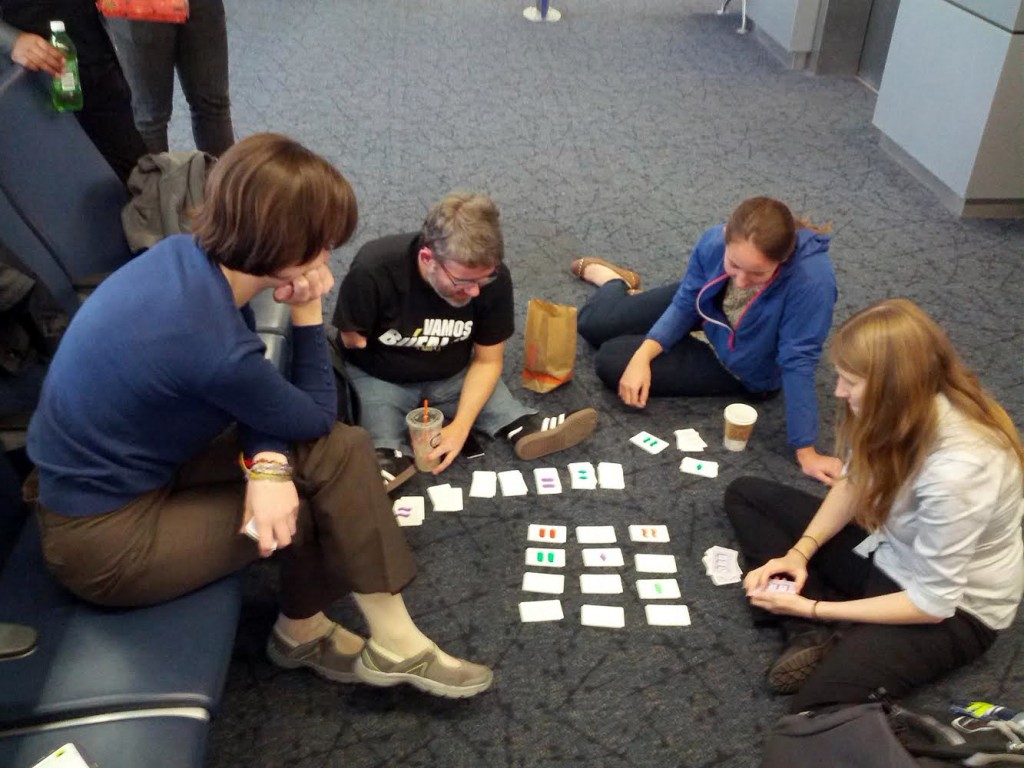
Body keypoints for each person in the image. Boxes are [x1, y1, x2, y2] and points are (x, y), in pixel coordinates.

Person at [25, 133, 492, 699]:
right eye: (323, 244)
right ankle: (323, 635)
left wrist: (268, 464)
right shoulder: (210, 338)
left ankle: (366, 638)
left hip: (146, 466)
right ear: (286, 246)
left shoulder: (187, 258)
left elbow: (262, 398)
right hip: (105, 542)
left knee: (340, 454)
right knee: (326, 480)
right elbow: (313, 411)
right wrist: (307, 310)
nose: (329, 256)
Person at [724, 298, 1023, 713]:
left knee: (815, 710)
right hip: (890, 553)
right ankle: (810, 632)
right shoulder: (902, 408)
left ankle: (824, 620)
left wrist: (812, 604)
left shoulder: (959, 472)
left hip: (952, 610)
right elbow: (853, 483)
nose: (838, 391)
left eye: (850, 380)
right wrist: (799, 553)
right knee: (746, 494)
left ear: (891, 386)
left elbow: (932, 603)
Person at [333, 192, 599, 491]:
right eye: (462, 282)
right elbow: (352, 339)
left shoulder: (493, 278)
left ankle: (521, 425)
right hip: (381, 377)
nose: (474, 292)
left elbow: (488, 360)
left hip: (454, 373)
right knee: (378, 433)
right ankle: (389, 455)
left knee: (491, 397)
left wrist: (460, 428)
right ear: (427, 258)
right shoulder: (373, 269)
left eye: (482, 281)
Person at [573, 197, 842, 484]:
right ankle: (616, 282)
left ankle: (631, 303)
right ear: (726, 237)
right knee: (593, 324)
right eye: (734, 265)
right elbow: (687, 301)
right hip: (708, 308)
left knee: (611, 359)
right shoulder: (715, 240)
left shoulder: (813, 282)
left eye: (758, 274)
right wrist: (644, 355)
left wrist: (807, 451)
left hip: (738, 362)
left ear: (783, 260)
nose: (741, 281)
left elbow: (798, 359)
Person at [0, 1, 146, 183]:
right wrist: (12, 41)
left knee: (138, 172)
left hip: (93, 59)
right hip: (35, 81)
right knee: (66, 182)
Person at [104, 0, 234, 156]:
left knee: (213, 105)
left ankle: (225, 179)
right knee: (151, 119)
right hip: (137, 6)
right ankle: (155, 180)